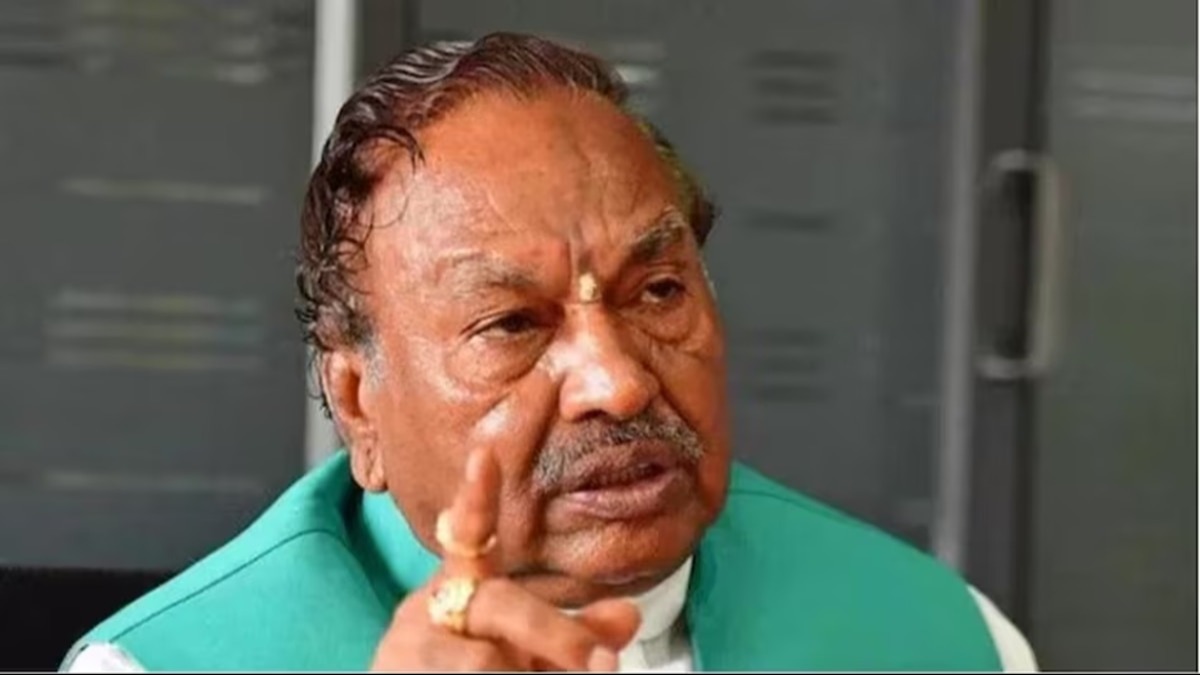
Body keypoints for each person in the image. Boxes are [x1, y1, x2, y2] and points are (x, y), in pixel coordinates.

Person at [61, 33, 1037, 672]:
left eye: (658, 292)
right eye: (512, 325)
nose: (617, 381)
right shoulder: (155, 668)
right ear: (358, 403)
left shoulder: (950, 638)